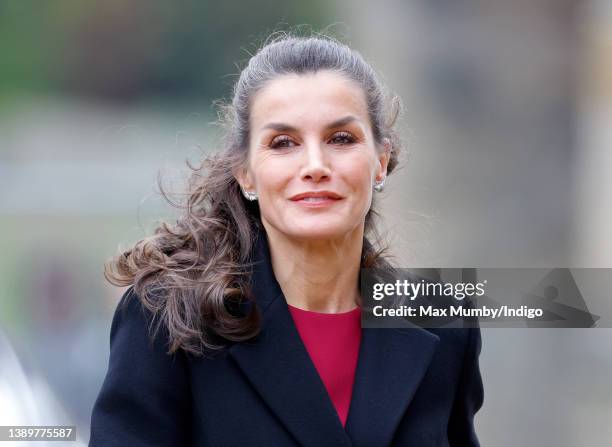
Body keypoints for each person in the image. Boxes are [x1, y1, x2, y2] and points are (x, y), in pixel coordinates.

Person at [89, 32, 484, 447]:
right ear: (245, 173)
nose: (315, 165)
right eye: (284, 143)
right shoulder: (168, 315)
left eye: (341, 139)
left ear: (381, 162)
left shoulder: (443, 322)